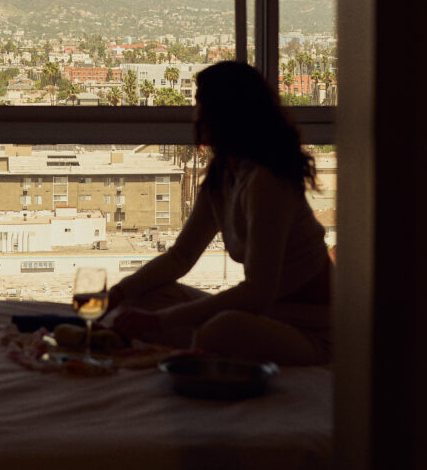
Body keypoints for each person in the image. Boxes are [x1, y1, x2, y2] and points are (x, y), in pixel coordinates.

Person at [103, 61, 332, 366]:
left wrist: (158, 321)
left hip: (310, 331)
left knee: (220, 331)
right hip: (262, 316)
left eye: (201, 104)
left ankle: (187, 345)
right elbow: (181, 257)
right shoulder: (224, 175)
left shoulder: (266, 181)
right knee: (144, 299)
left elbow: (257, 293)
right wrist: (118, 294)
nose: (195, 115)